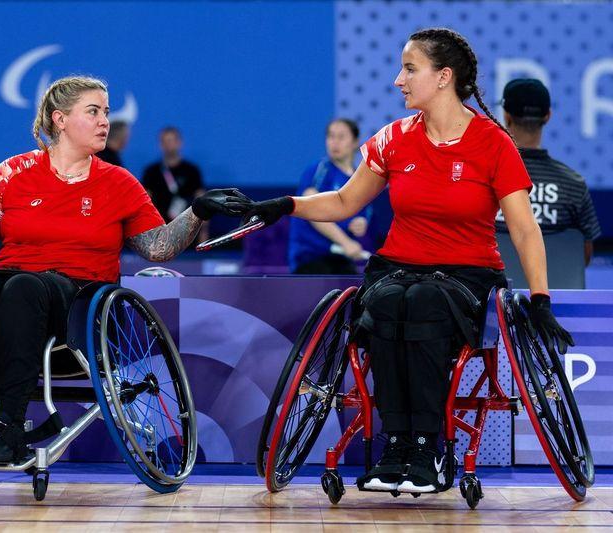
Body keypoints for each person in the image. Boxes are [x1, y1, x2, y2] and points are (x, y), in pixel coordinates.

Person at [244, 28, 574, 494]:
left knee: (421, 302)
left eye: (409, 69)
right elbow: (342, 202)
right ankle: (395, 446)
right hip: (397, 265)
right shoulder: (394, 138)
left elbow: (523, 228)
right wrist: (284, 206)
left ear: (443, 77)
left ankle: (428, 447)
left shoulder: (493, 143)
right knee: (386, 303)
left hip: (467, 275)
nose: (399, 80)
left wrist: (540, 298)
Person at [0, 76, 249, 463]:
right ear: (61, 119)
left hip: (78, 298)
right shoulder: (11, 173)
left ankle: (8, 424)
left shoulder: (119, 183)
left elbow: (158, 247)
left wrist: (199, 210)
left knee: (24, 288)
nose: (105, 121)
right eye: (94, 112)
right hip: (13, 280)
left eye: (106, 112)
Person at [496, 78, 601, 265]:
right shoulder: (574, 184)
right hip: (554, 292)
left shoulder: (485, 177)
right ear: (548, 116)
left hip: (492, 291)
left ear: (506, 116)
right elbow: (582, 257)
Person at [288, 118, 373, 274]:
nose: (334, 142)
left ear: (355, 142)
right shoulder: (319, 170)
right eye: (331, 136)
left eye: (341, 137)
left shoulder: (360, 179)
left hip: (341, 259)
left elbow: (363, 214)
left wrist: (361, 223)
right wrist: (345, 242)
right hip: (310, 258)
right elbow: (311, 209)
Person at [141, 127, 208, 242]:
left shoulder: (192, 171)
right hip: (160, 231)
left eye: (171, 141)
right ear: (160, 145)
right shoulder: (151, 172)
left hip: (187, 231)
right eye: (165, 141)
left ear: (179, 143)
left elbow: (202, 201)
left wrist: (204, 231)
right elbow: (144, 203)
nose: (169, 145)